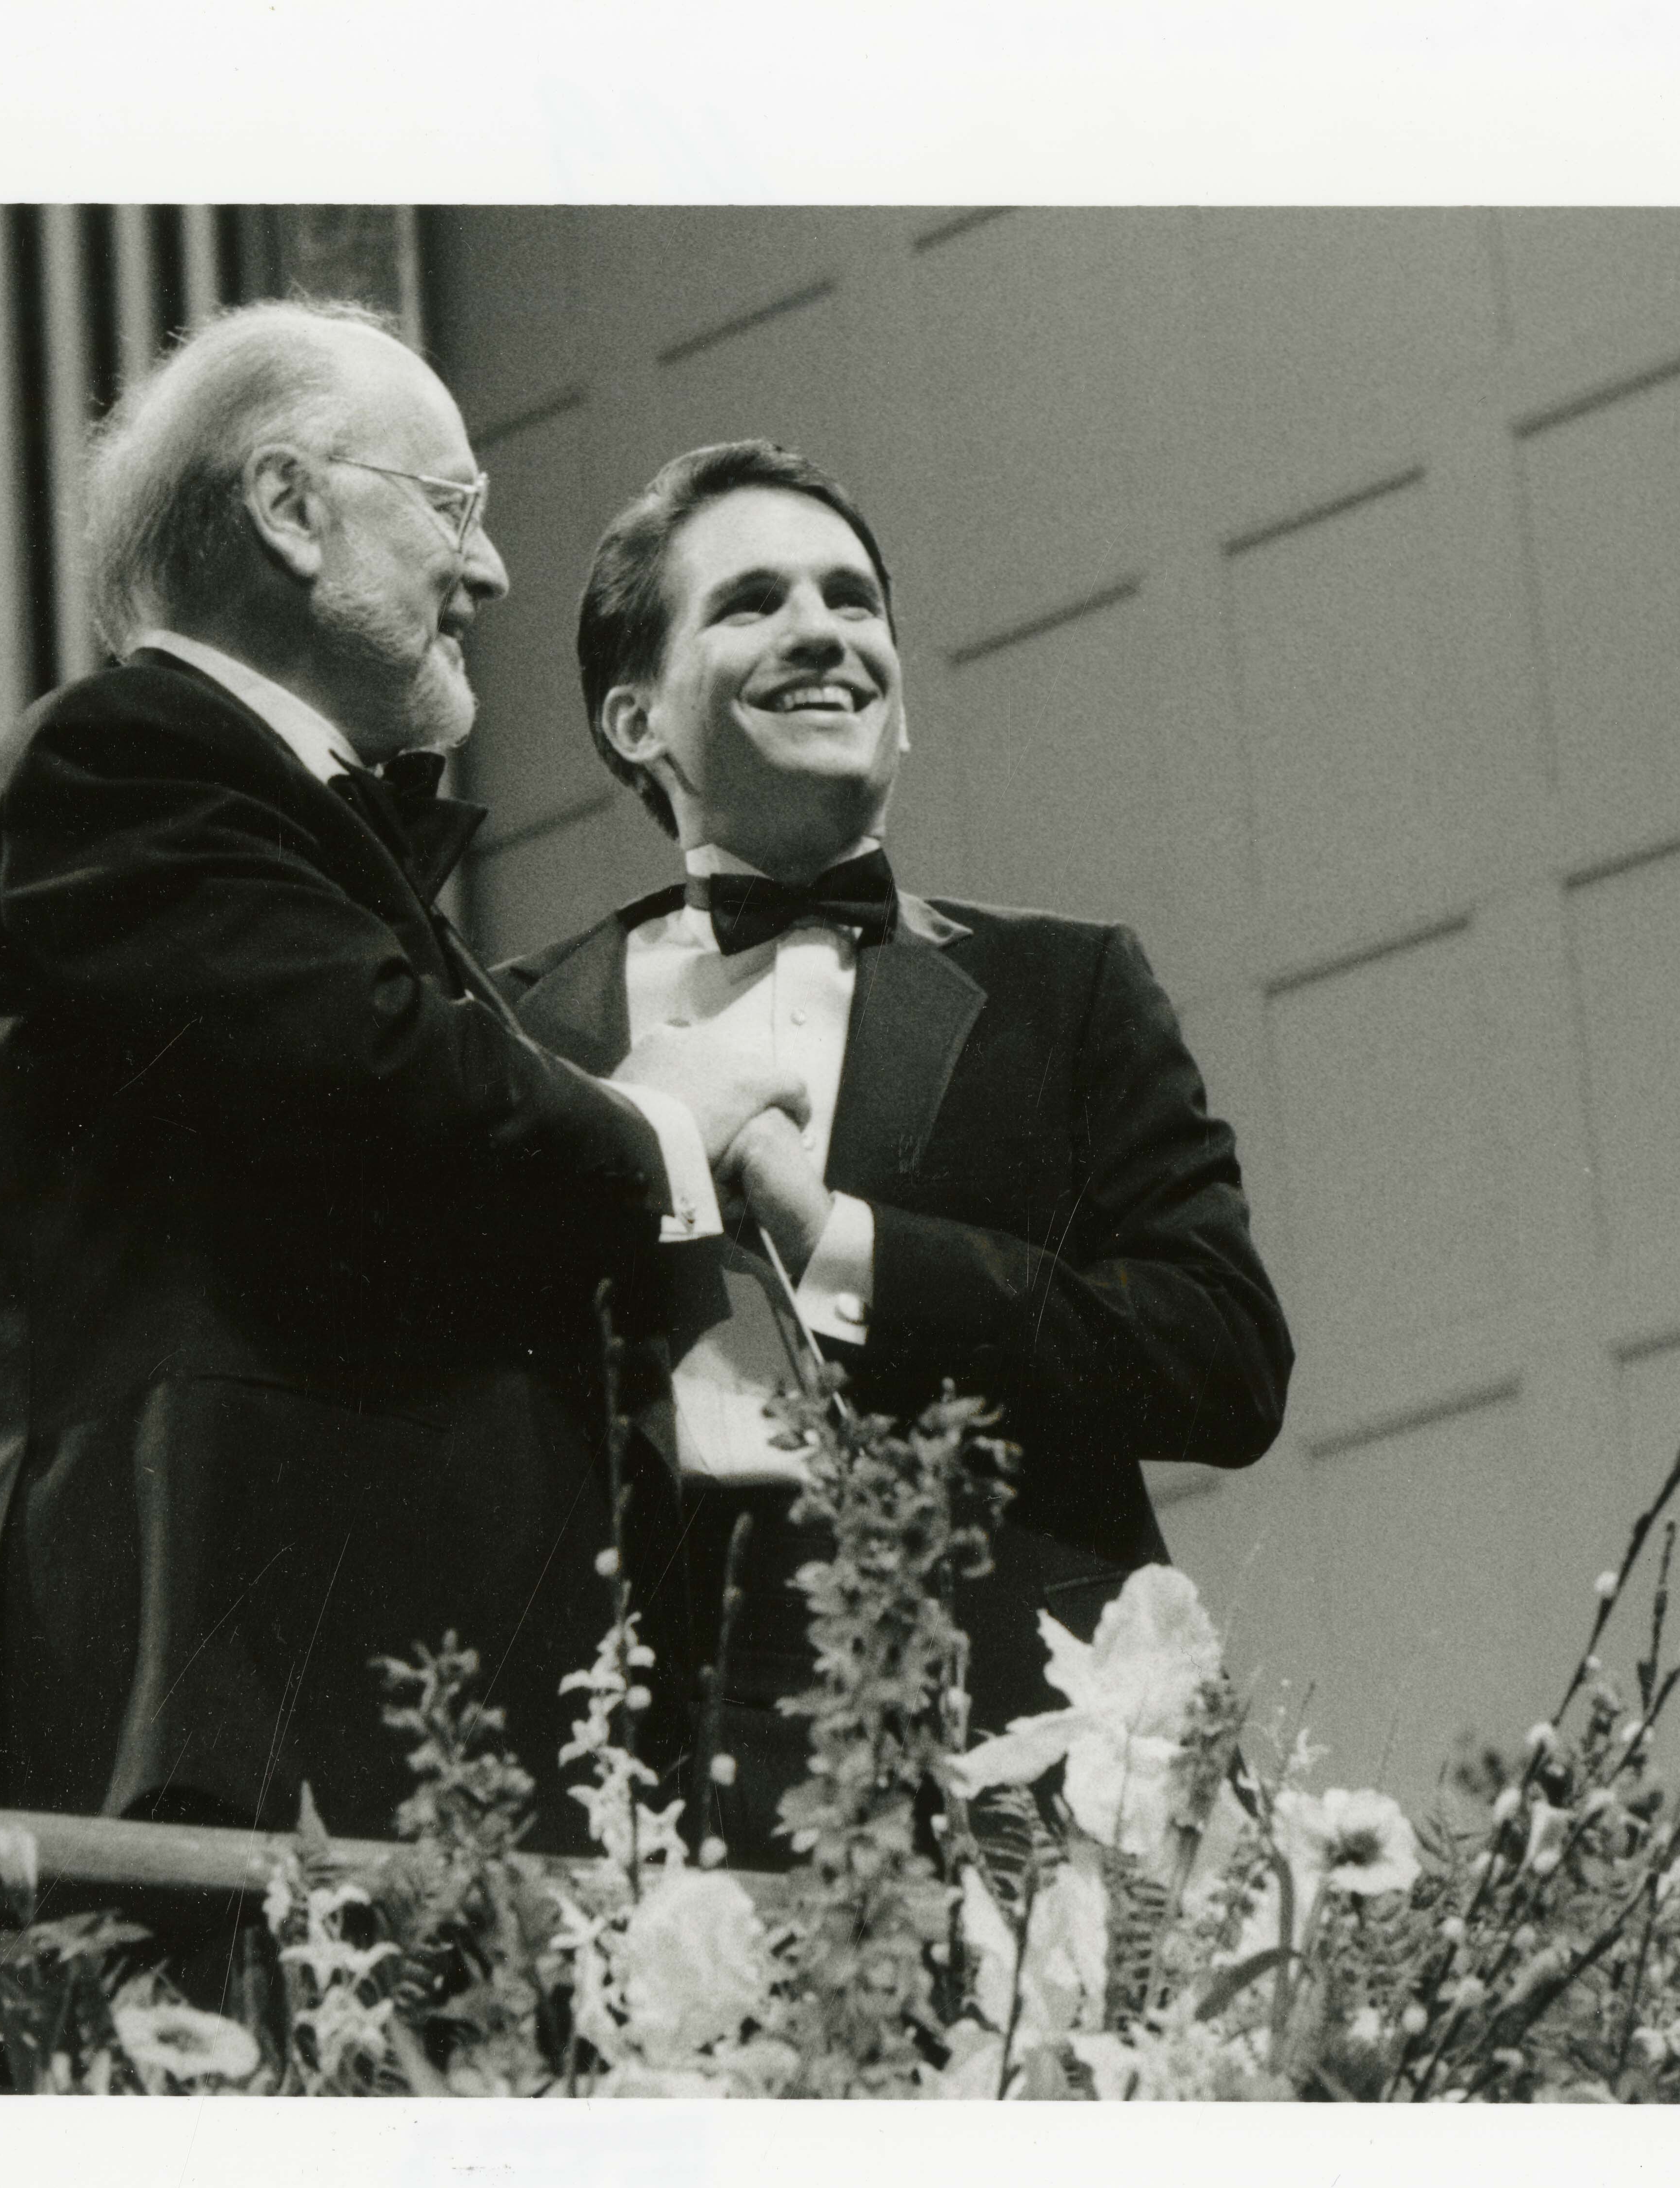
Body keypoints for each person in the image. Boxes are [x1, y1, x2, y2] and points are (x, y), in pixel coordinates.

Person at [0, 306, 807, 1847]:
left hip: (355, 1734)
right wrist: (669, 1126)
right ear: (289, 509)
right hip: (236, 1731)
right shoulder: (120, 764)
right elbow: (383, 1090)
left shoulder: (229, 813)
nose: (495, 570)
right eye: (453, 508)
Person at [497, 440, 1294, 1858]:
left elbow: (1224, 1355)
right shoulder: (507, 1033)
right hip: (626, 1768)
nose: (825, 630)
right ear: (632, 719)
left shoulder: (1070, 988)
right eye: (752, 601)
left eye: (854, 600)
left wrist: (844, 1248)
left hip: (1024, 1769)